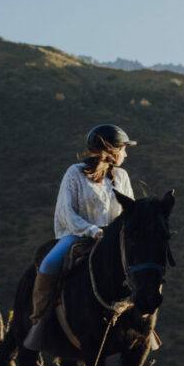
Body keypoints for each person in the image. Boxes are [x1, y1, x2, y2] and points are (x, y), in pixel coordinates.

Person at [23, 124, 136, 351]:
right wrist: (93, 231)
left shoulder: (122, 176)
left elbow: (129, 211)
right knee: (49, 264)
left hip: (111, 240)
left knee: (140, 267)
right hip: (77, 235)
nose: (126, 153)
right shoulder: (74, 173)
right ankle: (39, 321)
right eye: (123, 149)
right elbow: (67, 212)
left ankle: (143, 323)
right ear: (112, 150)